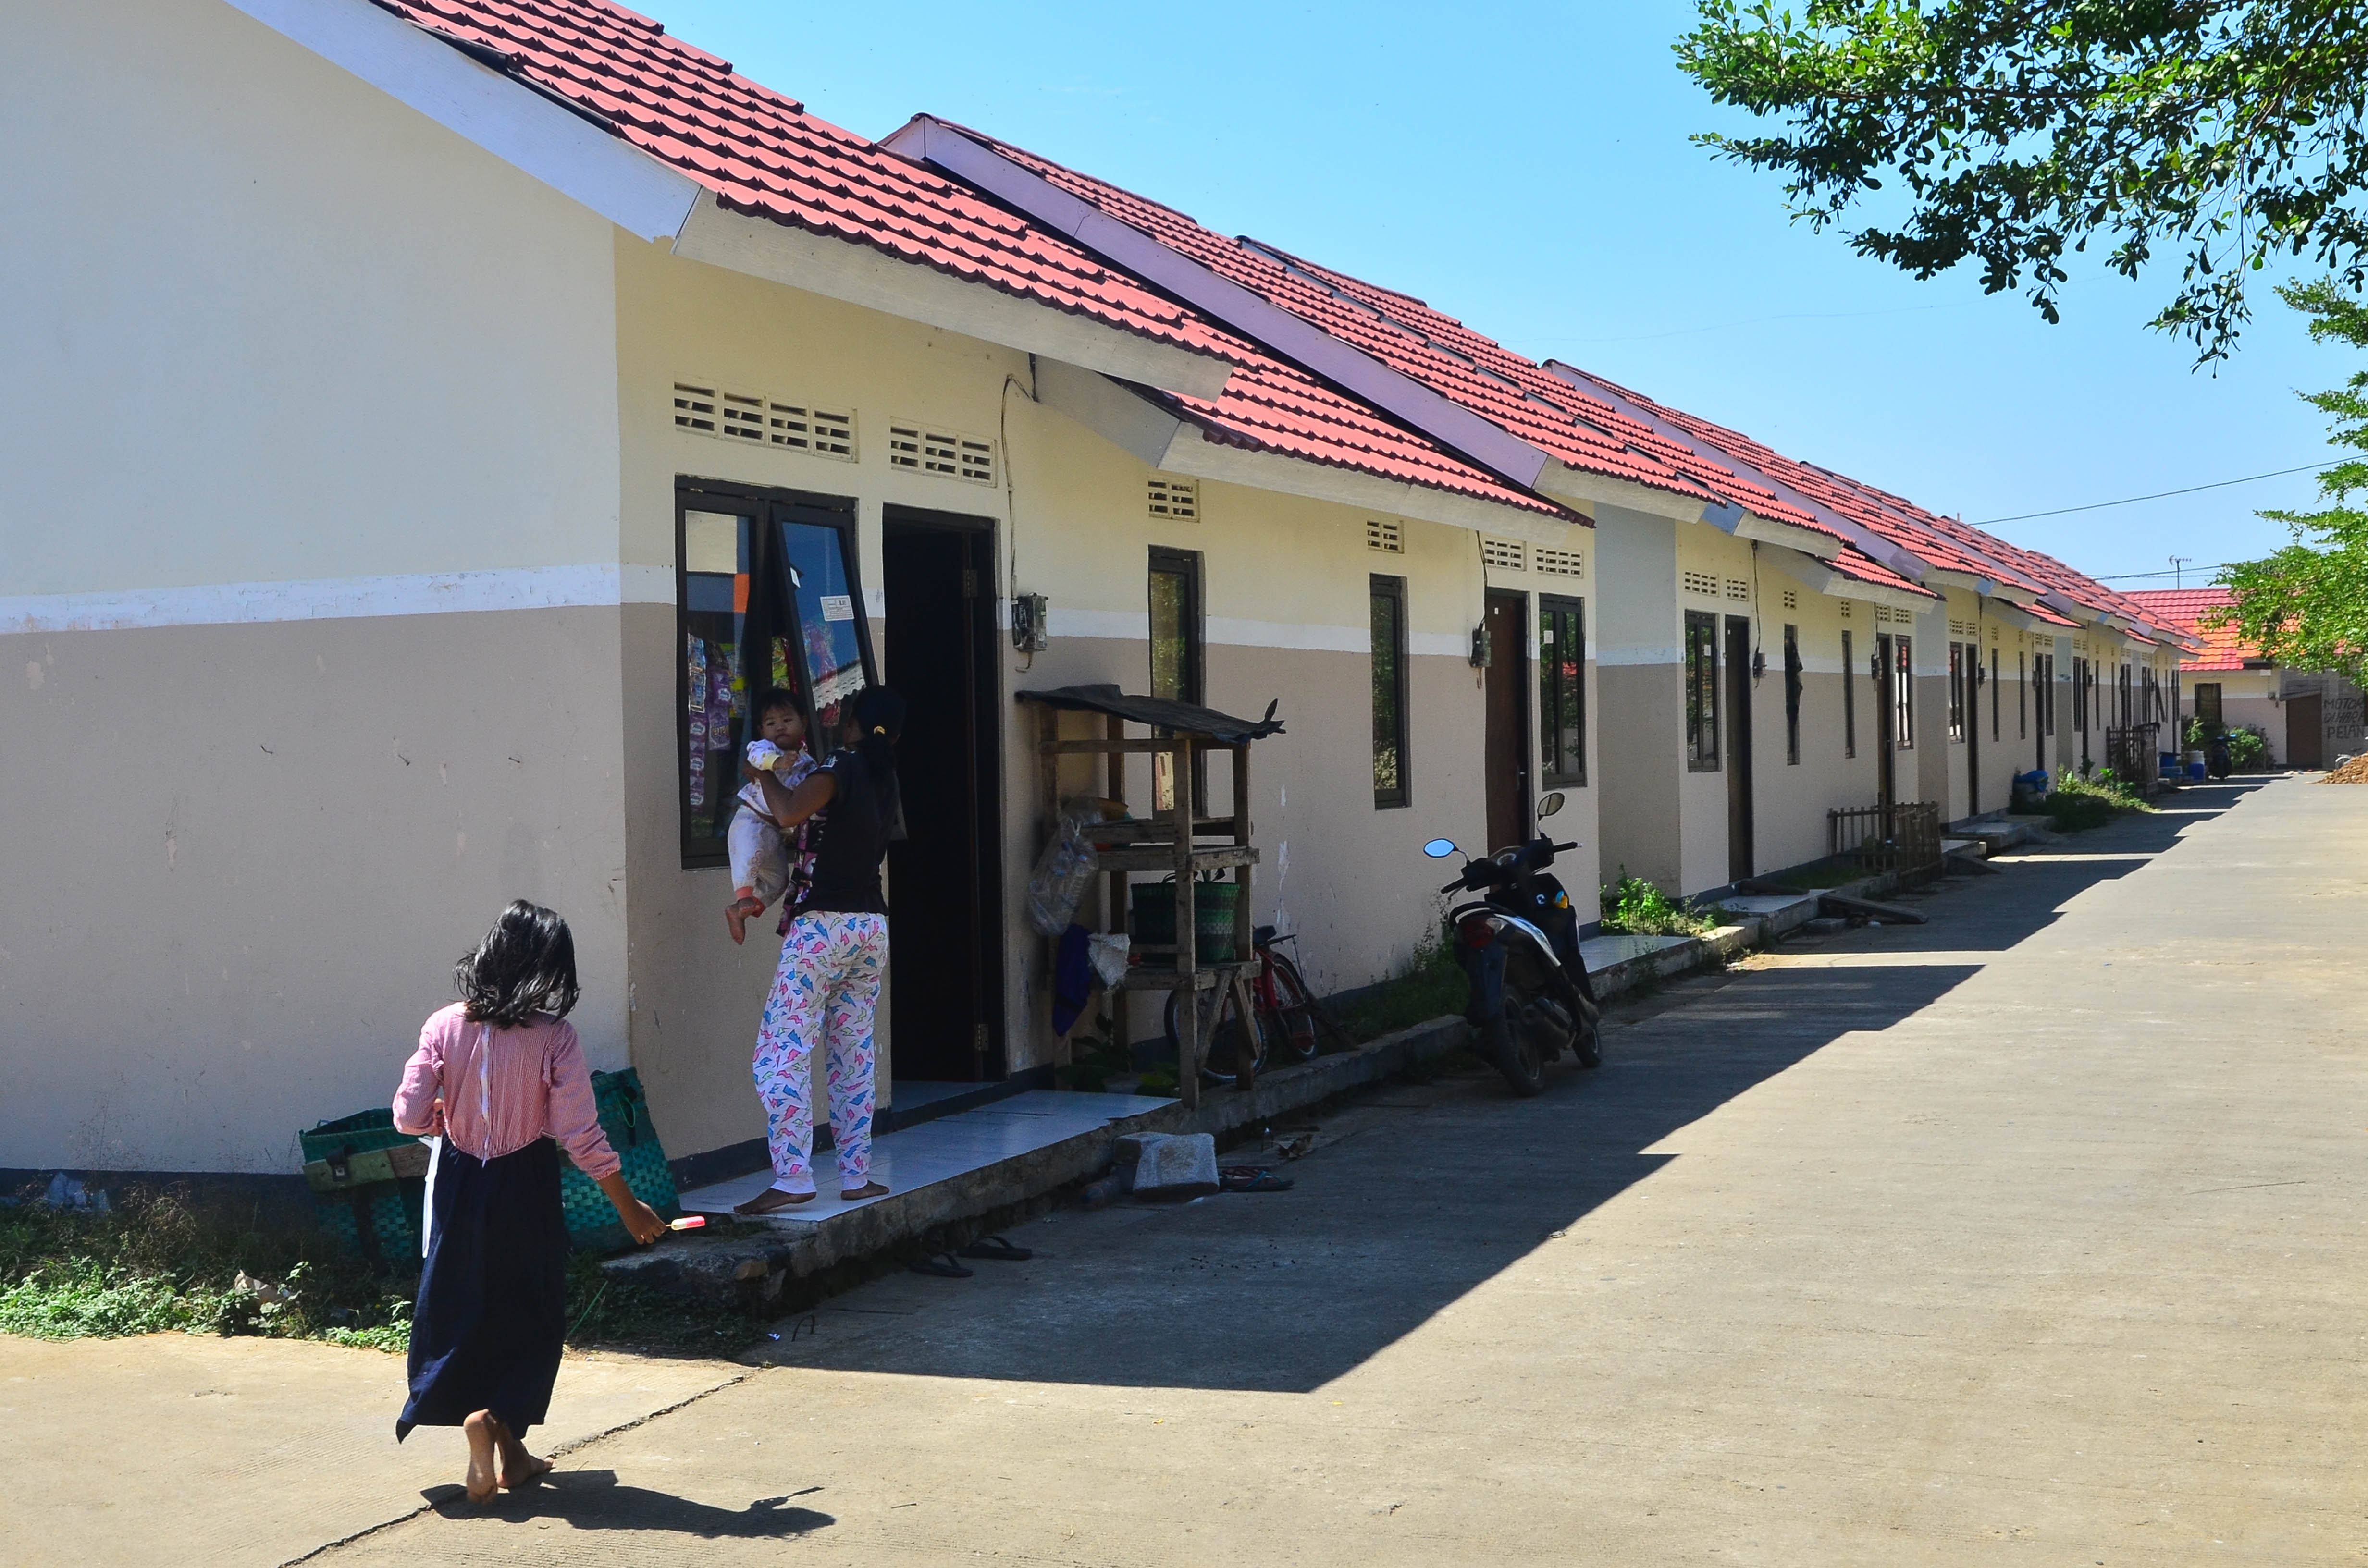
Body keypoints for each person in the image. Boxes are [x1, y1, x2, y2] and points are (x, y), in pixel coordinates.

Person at [391, 901, 666, 1503]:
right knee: (527, 1307)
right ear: (545, 969)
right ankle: (497, 1426)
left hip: (460, 1184)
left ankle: (499, 1443)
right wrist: (628, 1206)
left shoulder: (443, 1026)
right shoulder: (554, 1039)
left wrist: (441, 1119)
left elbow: (408, 1115)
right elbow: (579, 1134)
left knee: (463, 1301)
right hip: (525, 1186)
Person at [734, 686, 904, 1215]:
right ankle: (855, 1177)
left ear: (850, 721)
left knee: (779, 1054)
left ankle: (792, 1178)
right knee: (851, 1056)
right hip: (871, 928)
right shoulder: (885, 776)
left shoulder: (840, 768)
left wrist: (759, 770)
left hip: (822, 930)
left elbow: (786, 813)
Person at [725, 688, 817, 945]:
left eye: (787, 721)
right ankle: (743, 897)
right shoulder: (764, 748)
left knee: (779, 881)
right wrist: (777, 763)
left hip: (774, 831)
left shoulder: (809, 765)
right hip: (751, 819)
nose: (779, 728)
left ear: (804, 722)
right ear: (761, 730)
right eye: (771, 723)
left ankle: (746, 907)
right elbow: (757, 758)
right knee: (749, 857)